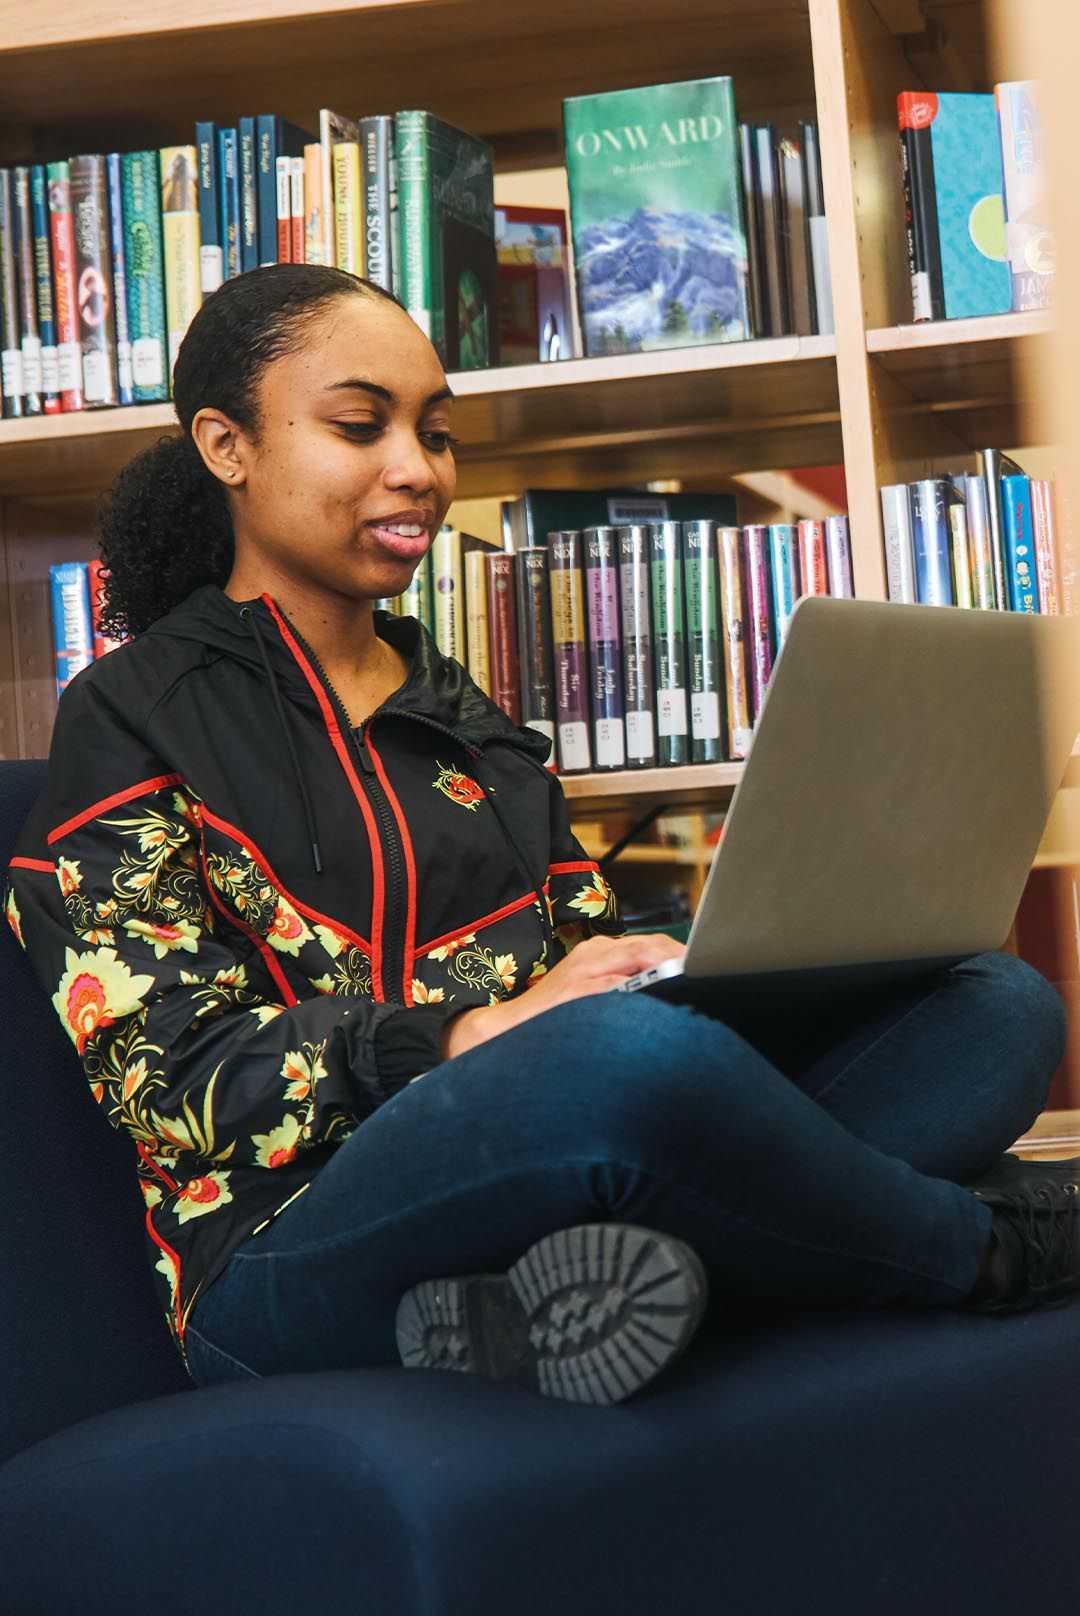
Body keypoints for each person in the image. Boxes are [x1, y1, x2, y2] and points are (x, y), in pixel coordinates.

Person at [8, 264, 1079, 1410]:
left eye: (437, 431)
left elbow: (589, 972)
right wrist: (473, 1035)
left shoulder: (475, 725)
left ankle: (571, 1301)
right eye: (361, 425)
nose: (417, 469)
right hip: (280, 1247)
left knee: (991, 1005)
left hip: (543, 1168)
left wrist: (697, 972)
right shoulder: (129, 713)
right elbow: (164, 1072)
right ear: (227, 445)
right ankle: (980, 1246)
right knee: (632, 1069)